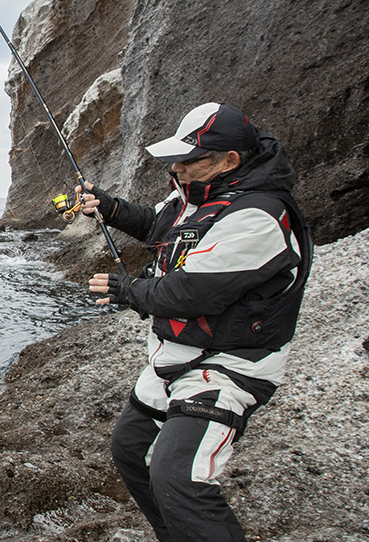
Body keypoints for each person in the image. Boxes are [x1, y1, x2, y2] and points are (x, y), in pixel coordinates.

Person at [76, 102, 313, 542]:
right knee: (131, 449)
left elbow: (189, 293)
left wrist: (127, 290)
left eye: (189, 160)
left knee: (178, 477)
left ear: (230, 161)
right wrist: (108, 208)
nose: (178, 168)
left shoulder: (258, 216)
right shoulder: (195, 193)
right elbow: (159, 226)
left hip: (230, 365)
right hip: (177, 356)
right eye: (176, 159)